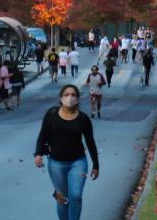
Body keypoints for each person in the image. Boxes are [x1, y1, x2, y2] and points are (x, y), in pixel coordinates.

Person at [34, 84, 100, 220]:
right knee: (62, 198)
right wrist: (38, 154)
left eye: (73, 95)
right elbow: (43, 135)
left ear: (78, 99)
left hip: (78, 162)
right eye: (66, 94)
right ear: (61, 98)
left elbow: (90, 142)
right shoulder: (51, 114)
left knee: (75, 196)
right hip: (56, 164)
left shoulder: (83, 119)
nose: (70, 97)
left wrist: (96, 165)